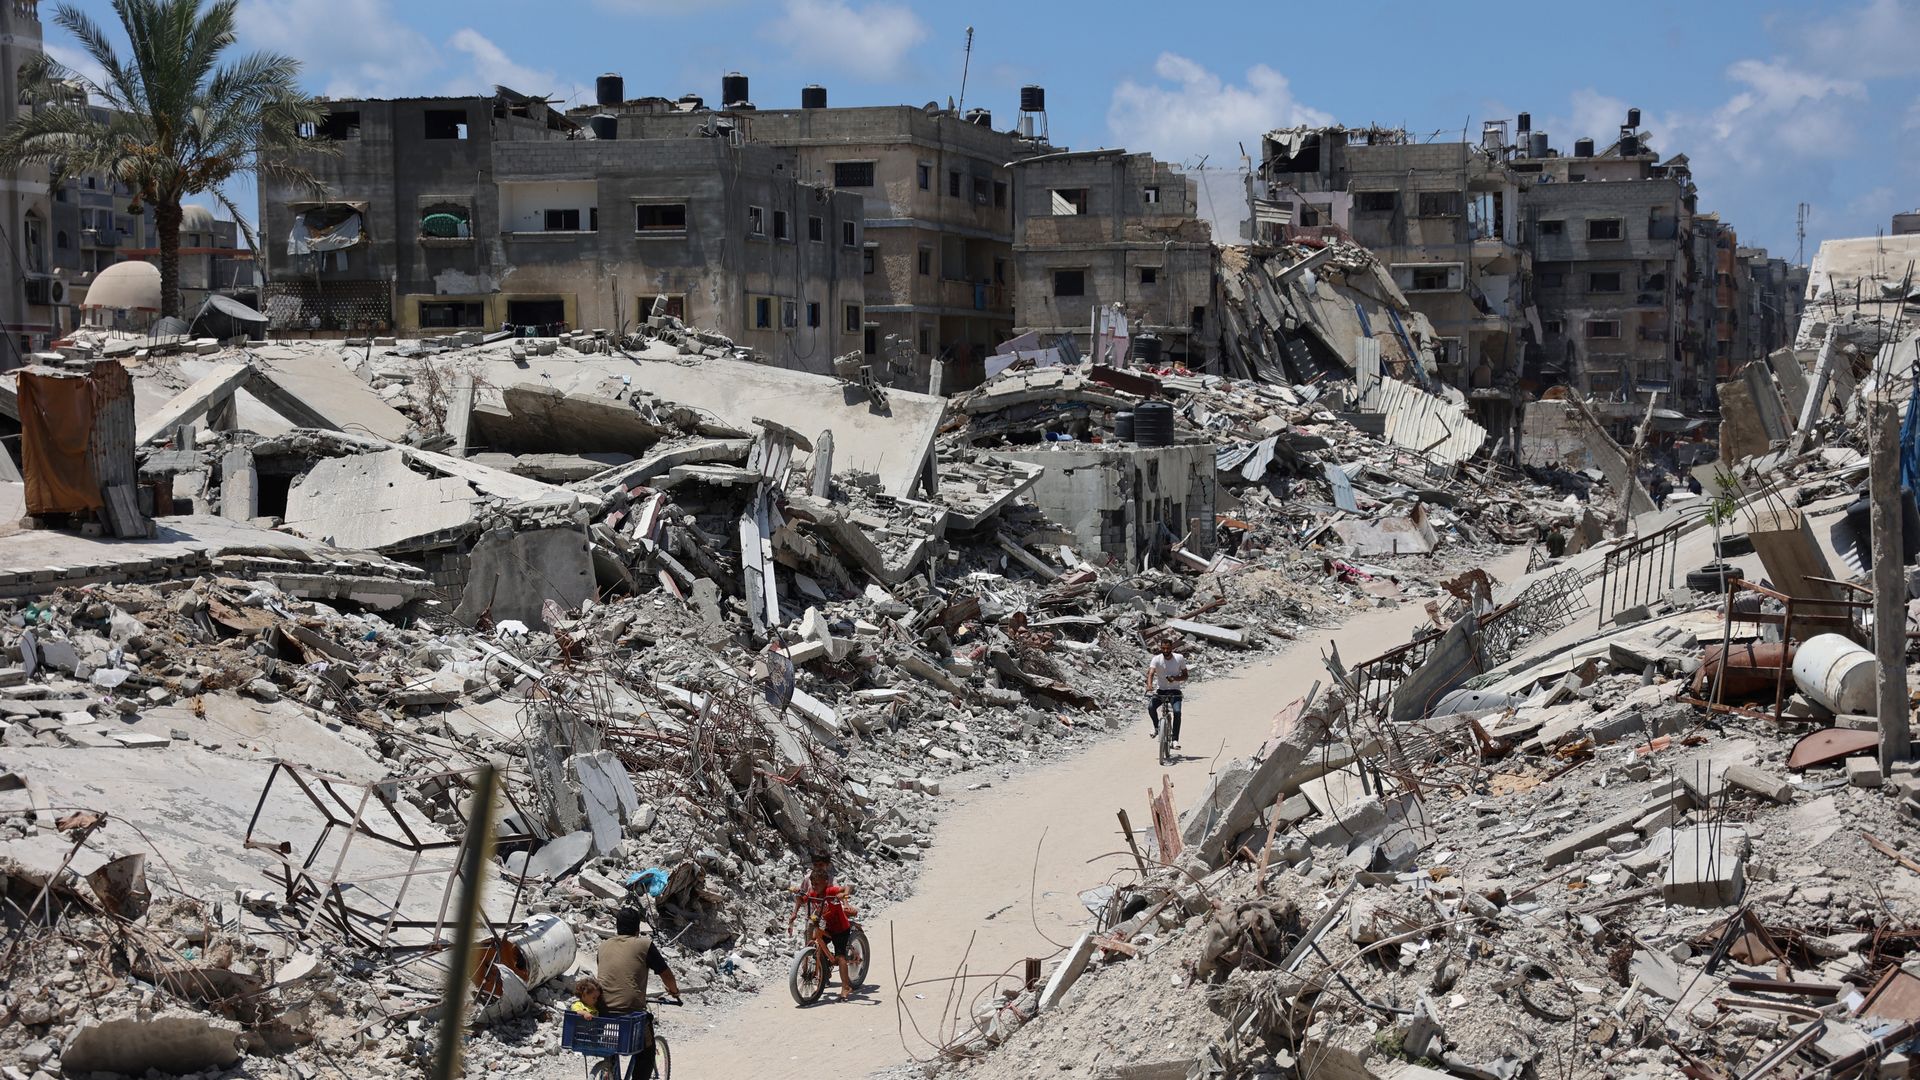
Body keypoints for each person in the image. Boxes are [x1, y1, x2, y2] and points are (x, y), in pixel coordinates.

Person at [597, 908, 680, 1078]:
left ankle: (609, 1069)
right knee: (646, 1052)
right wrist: (674, 991)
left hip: (602, 1011)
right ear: (638, 929)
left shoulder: (603, 946)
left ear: (617, 927)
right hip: (630, 1012)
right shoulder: (644, 945)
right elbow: (665, 973)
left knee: (612, 1043)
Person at [787, 853, 859, 1000]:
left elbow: (846, 888)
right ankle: (824, 972)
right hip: (826, 925)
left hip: (840, 928)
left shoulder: (829, 890)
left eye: (818, 884)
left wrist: (843, 896)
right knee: (817, 942)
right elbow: (803, 899)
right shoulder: (814, 892)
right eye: (813, 884)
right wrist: (798, 894)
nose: (815, 887)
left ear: (826, 882)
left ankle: (846, 986)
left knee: (840, 957)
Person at [1146, 637, 1189, 748]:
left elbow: (1185, 676)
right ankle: (1156, 727)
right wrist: (1149, 686)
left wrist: (1175, 679)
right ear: (1161, 648)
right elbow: (1150, 673)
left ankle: (1175, 740)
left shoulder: (1179, 658)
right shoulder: (1156, 659)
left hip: (1175, 691)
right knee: (1151, 707)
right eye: (1163, 648)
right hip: (1161, 691)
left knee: (1177, 712)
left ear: (1172, 648)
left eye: (1168, 648)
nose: (1165, 651)